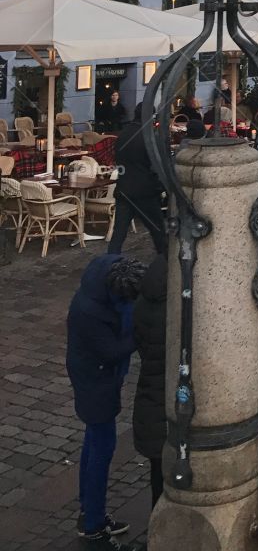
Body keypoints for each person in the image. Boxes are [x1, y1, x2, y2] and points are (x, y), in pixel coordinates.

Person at [67, 255, 145, 547]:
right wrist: (140, 334)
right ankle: (93, 525)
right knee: (102, 448)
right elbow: (111, 351)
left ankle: (90, 509)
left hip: (95, 377)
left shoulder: (106, 279)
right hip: (95, 382)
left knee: (93, 442)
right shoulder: (89, 312)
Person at [132, 255, 167, 509]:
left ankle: (158, 517)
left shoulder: (143, 302)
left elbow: (141, 343)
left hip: (149, 390)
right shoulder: (175, 308)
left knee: (157, 467)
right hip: (167, 396)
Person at [109, 119, 167, 255]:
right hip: (145, 191)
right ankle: (164, 264)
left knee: (118, 234)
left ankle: (109, 264)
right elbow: (157, 164)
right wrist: (160, 185)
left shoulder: (122, 135)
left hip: (124, 189)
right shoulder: (149, 137)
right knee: (158, 231)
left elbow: (117, 159)